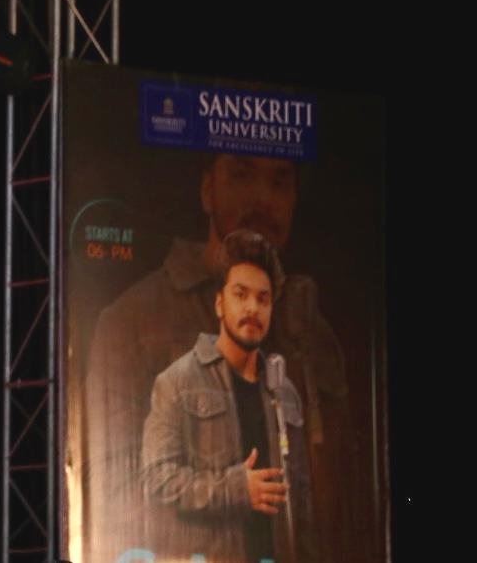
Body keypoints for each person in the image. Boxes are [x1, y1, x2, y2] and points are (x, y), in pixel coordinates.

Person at [83, 154, 344, 563]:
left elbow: (335, 503)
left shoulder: (311, 333)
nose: (263, 198)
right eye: (242, 174)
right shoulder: (131, 321)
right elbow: (116, 499)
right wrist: (234, 491)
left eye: (280, 182)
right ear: (208, 190)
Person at [139, 229, 316, 563]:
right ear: (220, 304)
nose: (252, 307)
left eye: (263, 299)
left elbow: (301, 499)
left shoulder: (285, 391)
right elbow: (157, 480)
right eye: (241, 294)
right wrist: (236, 490)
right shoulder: (177, 382)